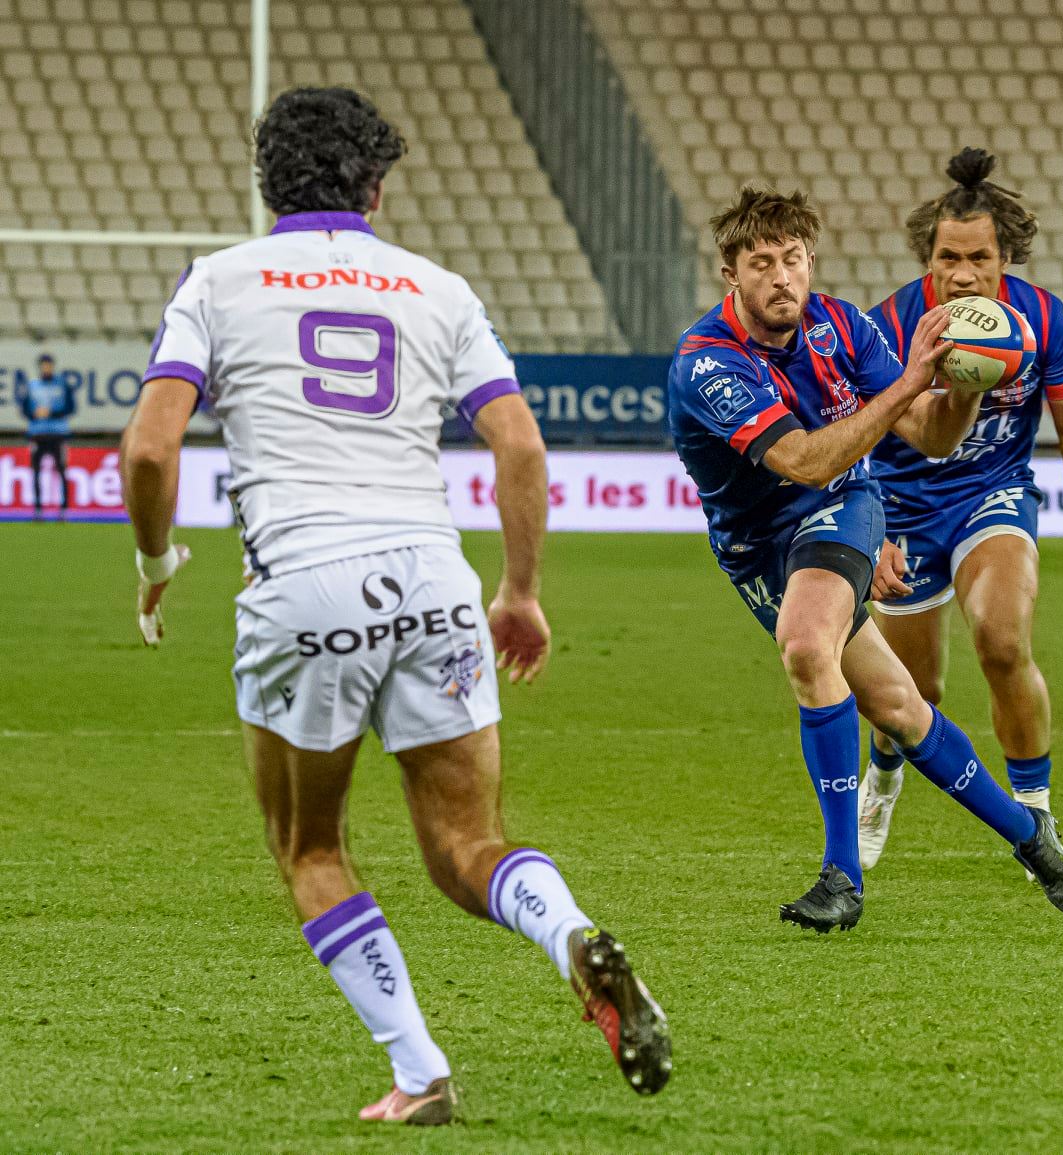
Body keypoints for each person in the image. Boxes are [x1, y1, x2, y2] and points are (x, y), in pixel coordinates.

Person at [119, 86, 669, 1125]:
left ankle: (421, 1074)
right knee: (468, 849)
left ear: (267, 182)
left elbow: (150, 446)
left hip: (303, 584)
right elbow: (519, 445)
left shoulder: (218, 282)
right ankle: (569, 936)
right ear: (375, 187)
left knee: (310, 848)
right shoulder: (436, 287)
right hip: (430, 582)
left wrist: (155, 561)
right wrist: (519, 590)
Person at [668, 185, 1063, 932]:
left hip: (841, 509)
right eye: (761, 262)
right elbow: (799, 458)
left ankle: (842, 876)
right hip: (756, 543)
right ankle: (1033, 838)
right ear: (729, 273)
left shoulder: (841, 324)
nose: (782, 277)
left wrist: (964, 383)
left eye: (793, 259)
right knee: (898, 706)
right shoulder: (707, 363)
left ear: (810, 262)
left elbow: (930, 436)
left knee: (805, 645)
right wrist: (910, 379)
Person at [857, 148, 1063, 868]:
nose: (964, 273)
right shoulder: (887, 325)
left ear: (1004, 256)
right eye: (949, 256)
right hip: (904, 509)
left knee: (1003, 641)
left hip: (994, 495)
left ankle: (1036, 817)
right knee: (913, 691)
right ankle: (883, 772)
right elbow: (912, 439)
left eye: (979, 257)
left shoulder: (1045, 321)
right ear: (929, 260)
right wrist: (872, 528)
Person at [17, 352, 75, 519]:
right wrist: (35, 414)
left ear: (52, 366)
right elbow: (24, 410)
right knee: (36, 472)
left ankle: (64, 509)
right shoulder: (32, 386)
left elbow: (71, 408)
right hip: (38, 434)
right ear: (40, 367)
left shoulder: (62, 385)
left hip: (58, 434)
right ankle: (38, 508)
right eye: (44, 365)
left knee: (62, 471)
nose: (46, 368)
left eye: (49, 365)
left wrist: (51, 412)